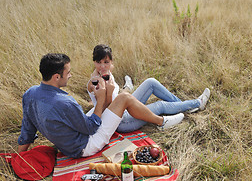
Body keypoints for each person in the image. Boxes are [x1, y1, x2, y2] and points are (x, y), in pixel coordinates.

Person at [17, 53, 184, 158]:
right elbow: (90, 128)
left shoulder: (30, 93)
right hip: (84, 146)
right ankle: (161, 122)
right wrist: (102, 98)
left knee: (116, 100)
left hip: (69, 143)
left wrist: (20, 155)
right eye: (68, 73)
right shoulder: (65, 102)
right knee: (124, 98)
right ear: (56, 77)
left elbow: (28, 128)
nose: (71, 75)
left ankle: (148, 109)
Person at [86, 44, 211, 133]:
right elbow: (105, 109)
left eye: (106, 62)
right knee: (160, 105)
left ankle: (183, 105)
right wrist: (110, 90)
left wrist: (108, 72)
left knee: (150, 82)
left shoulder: (103, 72)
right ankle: (198, 104)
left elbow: (106, 68)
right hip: (121, 121)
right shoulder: (95, 82)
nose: (102, 66)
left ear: (111, 62)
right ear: (94, 62)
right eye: (98, 62)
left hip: (125, 107)